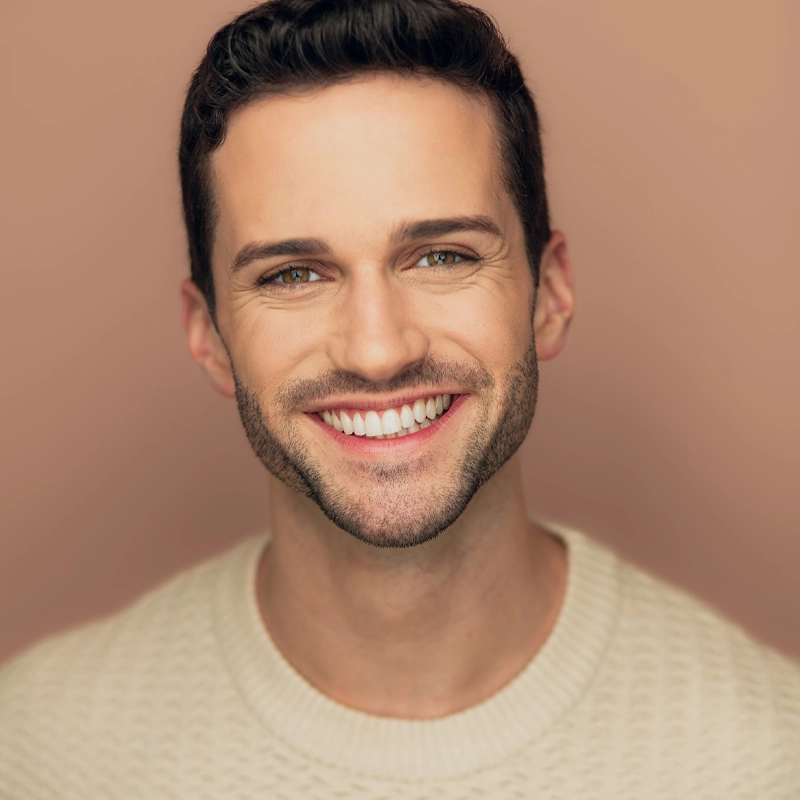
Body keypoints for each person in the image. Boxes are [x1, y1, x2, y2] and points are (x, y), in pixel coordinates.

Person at [1, 0, 798, 796]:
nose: (378, 350)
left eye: (441, 256)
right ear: (209, 333)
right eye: (293, 275)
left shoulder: (767, 757)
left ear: (549, 293)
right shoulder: (41, 749)